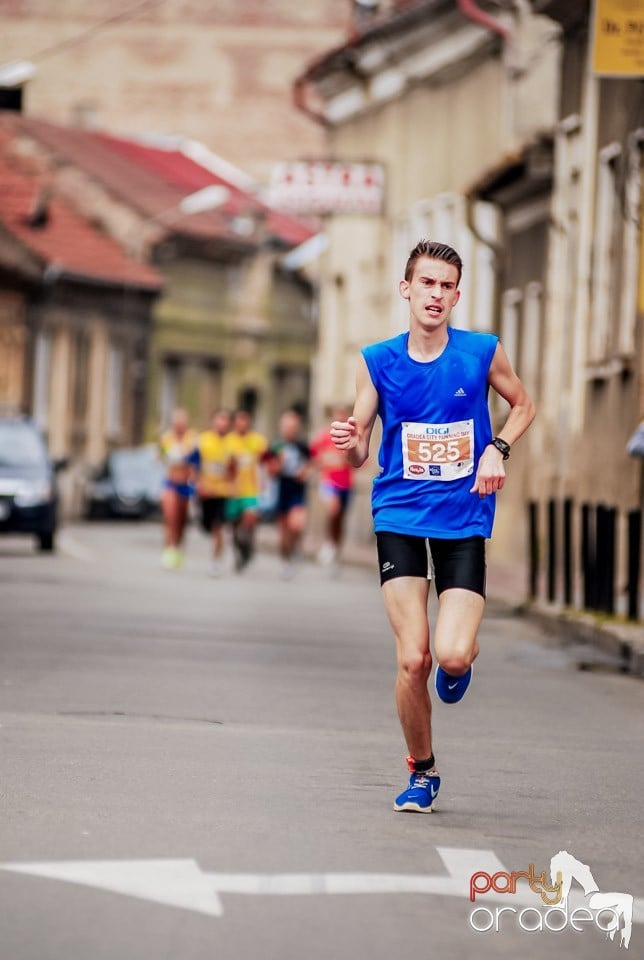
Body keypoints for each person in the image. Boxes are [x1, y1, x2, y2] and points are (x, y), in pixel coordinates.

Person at [330, 240, 535, 813]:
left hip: (464, 515)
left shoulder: (479, 352)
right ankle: (422, 771)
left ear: (457, 295)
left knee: (449, 656)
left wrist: (497, 448)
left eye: (447, 287)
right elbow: (360, 447)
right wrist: (349, 443)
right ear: (407, 289)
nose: (436, 296)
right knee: (413, 658)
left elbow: (523, 404)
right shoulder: (378, 360)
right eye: (427, 284)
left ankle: (460, 661)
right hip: (398, 513)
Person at [310, 405, 357, 570]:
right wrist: (324, 462)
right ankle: (329, 543)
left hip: (346, 484)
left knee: (340, 518)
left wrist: (348, 459)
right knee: (333, 510)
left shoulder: (351, 439)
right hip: (328, 483)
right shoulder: (324, 437)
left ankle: (337, 547)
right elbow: (314, 458)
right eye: (337, 418)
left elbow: (361, 462)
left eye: (343, 418)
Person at [268, 408, 313, 579]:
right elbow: (270, 470)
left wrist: (305, 472)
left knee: (296, 524)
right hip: (281, 490)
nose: (290, 429)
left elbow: (311, 464)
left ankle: (295, 551)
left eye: (293, 426)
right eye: (287, 426)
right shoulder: (275, 446)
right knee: (284, 533)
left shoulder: (302, 446)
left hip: (297, 490)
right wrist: (278, 465)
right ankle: (285, 560)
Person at [226, 409, 268, 571]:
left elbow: (265, 463)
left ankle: (248, 545)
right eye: (239, 420)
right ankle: (240, 553)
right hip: (233, 491)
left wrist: (264, 483)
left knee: (249, 521)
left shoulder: (258, 441)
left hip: (251, 490)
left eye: (245, 420)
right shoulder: (229, 441)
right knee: (235, 527)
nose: (242, 424)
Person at [196, 408, 235, 577]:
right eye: (220, 419)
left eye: (226, 420)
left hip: (223, 492)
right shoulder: (203, 440)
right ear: (213, 421)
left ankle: (216, 560)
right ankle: (218, 549)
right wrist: (198, 485)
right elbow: (194, 466)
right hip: (206, 491)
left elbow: (235, 468)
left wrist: (232, 479)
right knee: (207, 526)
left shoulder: (232, 443)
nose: (222, 423)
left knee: (219, 526)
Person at [159, 407, 199, 569]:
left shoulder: (193, 438)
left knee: (181, 520)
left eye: (182, 421)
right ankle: (169, 548)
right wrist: (166, 456)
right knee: (170, 516)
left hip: (186, 484)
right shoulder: (166, 438)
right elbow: (159, 457)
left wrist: (196, 479)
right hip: (170, 482)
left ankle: (178, 545)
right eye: (177, 421)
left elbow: (197, 462)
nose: (179, 424)